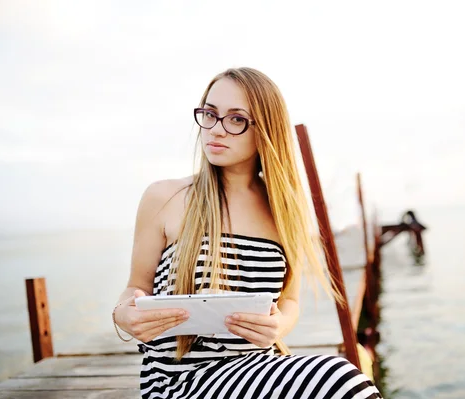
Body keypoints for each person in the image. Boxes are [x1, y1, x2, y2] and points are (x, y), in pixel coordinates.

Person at [112, 67, 383, 399]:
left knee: (341, 378)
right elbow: (135, 287)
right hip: (179, 382)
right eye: (210, 114)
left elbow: (289, 301)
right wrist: (124, 314)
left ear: (265, 129)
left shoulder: (283, 209)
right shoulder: (165, 197)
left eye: (236, 119)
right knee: (339, 377)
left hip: (259, 370)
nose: (216, 130)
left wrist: (278, 326)